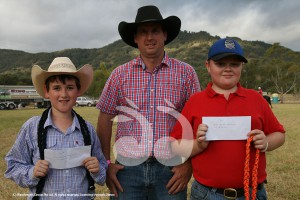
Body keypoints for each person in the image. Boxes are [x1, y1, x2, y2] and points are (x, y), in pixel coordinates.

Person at [96, 5, 201, 200]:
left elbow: (197, 121)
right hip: (127, 171)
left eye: (155, 31)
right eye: (143, 32)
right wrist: (107, 165)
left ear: (165, 35)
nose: (149, 37)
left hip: (171, 170)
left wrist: (188, 165)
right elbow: (105, 118)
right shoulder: (119, 75)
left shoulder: (186, 73)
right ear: (135, 38)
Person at [170, 38, 285, 200]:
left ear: (242, 67)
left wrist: (266, 142)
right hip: (207, 194)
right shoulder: (195, 102)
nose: (228, 69)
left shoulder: (255, 99)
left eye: (234, 64)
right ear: (208, 66)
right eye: (220, 64)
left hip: (252, 193)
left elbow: (279, 134)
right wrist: (198, 145)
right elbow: (174, 145)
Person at [5, 57, 108, 199]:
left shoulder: (87, 130)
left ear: (78, 91)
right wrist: (32, 172)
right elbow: (12, 165)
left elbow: (102, 171)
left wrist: (97, 169)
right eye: (56, 88)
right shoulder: (31, 128)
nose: (64, 94)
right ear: (46, 92)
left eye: (70, 88)